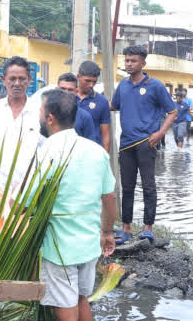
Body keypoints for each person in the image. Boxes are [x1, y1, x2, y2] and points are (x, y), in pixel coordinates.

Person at [33, 89, 117, 321]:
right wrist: (107, 232)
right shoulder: (96, 151)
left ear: (50, 118)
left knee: (65, 318)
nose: (41, 116)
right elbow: (109, 198)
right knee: (83, 301)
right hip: (89, 243)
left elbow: (26, 202)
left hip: (60, 247)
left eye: (42, 111)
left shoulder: (46, 152)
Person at [110, 45, 177, 245]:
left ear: (143, 63)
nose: (129, 64)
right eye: (127, 60)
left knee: (148, 186)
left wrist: (161, 132)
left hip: (146, 142)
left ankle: (148, 227)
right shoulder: (122, 85)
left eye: (133, 61)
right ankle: (126, 227)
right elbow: (113, 106)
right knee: (127, 186)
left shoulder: (155, 86)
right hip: (126, 144)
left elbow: (172, 112)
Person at [0, 57, 43, 206]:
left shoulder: (40, 111)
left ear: (29, 80)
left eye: (22, 79)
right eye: (12, 79)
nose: (17, 83)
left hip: (29, 196)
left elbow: (46, 153)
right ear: (3, 80)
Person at [75, 61, 112, 152]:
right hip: (70, 151)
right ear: (78, 77)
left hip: (92, 151)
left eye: (94, 81)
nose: (91, 85)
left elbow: (105, 134)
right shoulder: (67, 97)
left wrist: (105, 157)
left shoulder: (102, 102)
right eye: (87, 81)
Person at [53, 73, 98, 143]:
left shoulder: (85, 117)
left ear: (76, 91)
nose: (66, 93)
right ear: (56, 89)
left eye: (70, 90)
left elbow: (91, 146)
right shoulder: (48, 114)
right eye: (63, 89)